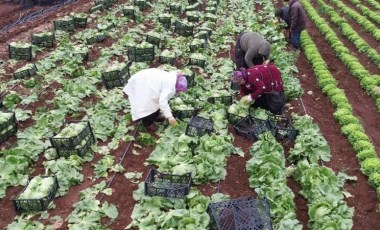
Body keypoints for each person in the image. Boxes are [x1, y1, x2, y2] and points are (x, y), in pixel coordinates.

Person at [123, 68, 188, 131]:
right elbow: (162, 101)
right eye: (178, 90)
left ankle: (156, 116)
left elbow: (162, 99)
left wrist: (167, 111)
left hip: (148, 80)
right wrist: (170, 117)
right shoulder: (169, 85)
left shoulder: (172, 79)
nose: (178, 92)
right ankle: (148, 123)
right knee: (147, 105)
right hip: (143, 83)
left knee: (155, 103)